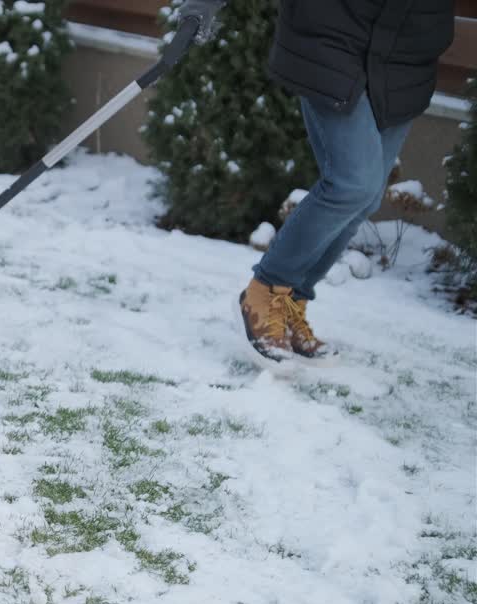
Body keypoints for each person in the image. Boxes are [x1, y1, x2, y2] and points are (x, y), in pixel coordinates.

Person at [180, 0, 455, 366]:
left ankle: (291, 301)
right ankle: (265, 291)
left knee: (366, 196)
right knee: (352, 183)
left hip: (407, 54)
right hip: (331, 34)